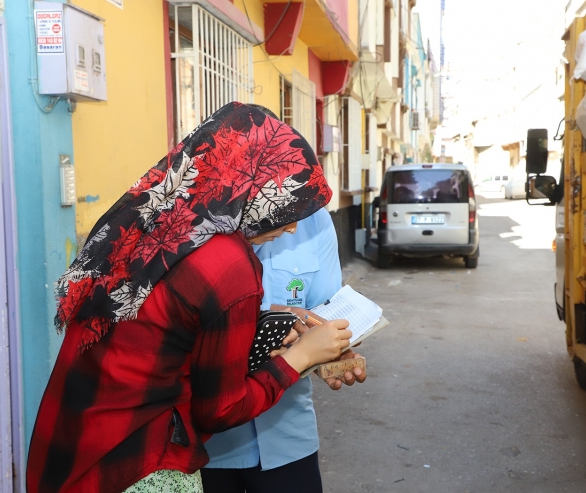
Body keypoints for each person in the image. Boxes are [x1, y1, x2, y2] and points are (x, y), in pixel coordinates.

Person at [26, 102, 352, 493]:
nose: (292, 225)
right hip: (140, 462)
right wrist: (299, 358)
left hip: (74, 446)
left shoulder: (152, 219)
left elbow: (166, 329)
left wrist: (268, 326)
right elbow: (219, 410)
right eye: (284, 202)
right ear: (250, 185)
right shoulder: (227, 264)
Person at [201, 207, 366, 493]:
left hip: (287, 436)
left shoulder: (314, 219)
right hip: (205, 445)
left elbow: (319, 316)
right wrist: (285, 326)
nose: (292, 228)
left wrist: (329, 353)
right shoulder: (200, 222)